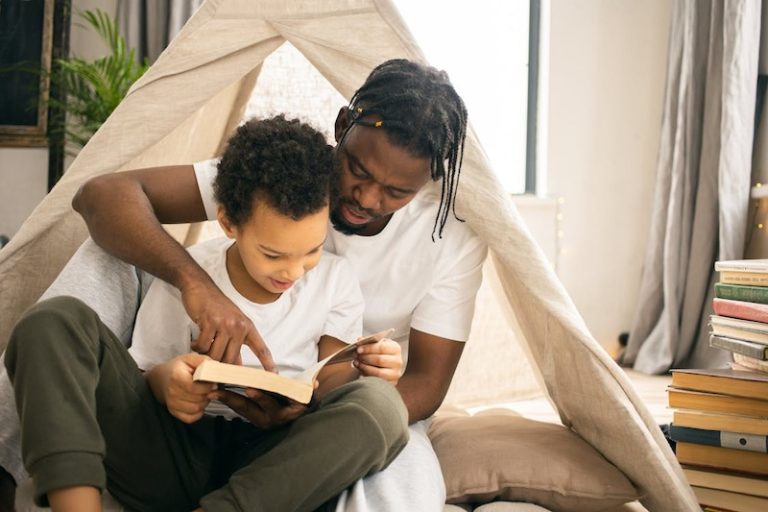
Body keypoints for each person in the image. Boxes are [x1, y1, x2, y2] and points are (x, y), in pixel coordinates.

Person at [0, 58, 487, 511]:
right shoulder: (277, 175)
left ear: (428, 181)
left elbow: (424, 385)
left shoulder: (432, 247)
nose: (365, 196)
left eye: (396, 191)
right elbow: (102, 196)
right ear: (342, 129)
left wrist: (310, 410)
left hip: (291, 445)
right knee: (64, 306)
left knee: (383, 412)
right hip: (175, 439)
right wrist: (194, 284)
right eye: (356, 170)